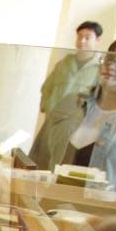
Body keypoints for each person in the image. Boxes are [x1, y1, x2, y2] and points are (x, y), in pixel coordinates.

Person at [30, 21, 103, 168]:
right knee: (39, 163)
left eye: (87, 37)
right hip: (51, 123)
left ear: (98, 41)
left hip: (74, 129)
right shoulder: (64, 63)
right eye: (79, 36)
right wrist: (47, 108)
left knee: (60, 167)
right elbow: (47, 88)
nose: (82, 41)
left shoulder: (100, 69)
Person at [60, 37, 116, 191]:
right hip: (50, 206)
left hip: (101, 212)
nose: (112, 65)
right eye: (110, 57)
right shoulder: (72, 103)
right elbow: (40, 155)